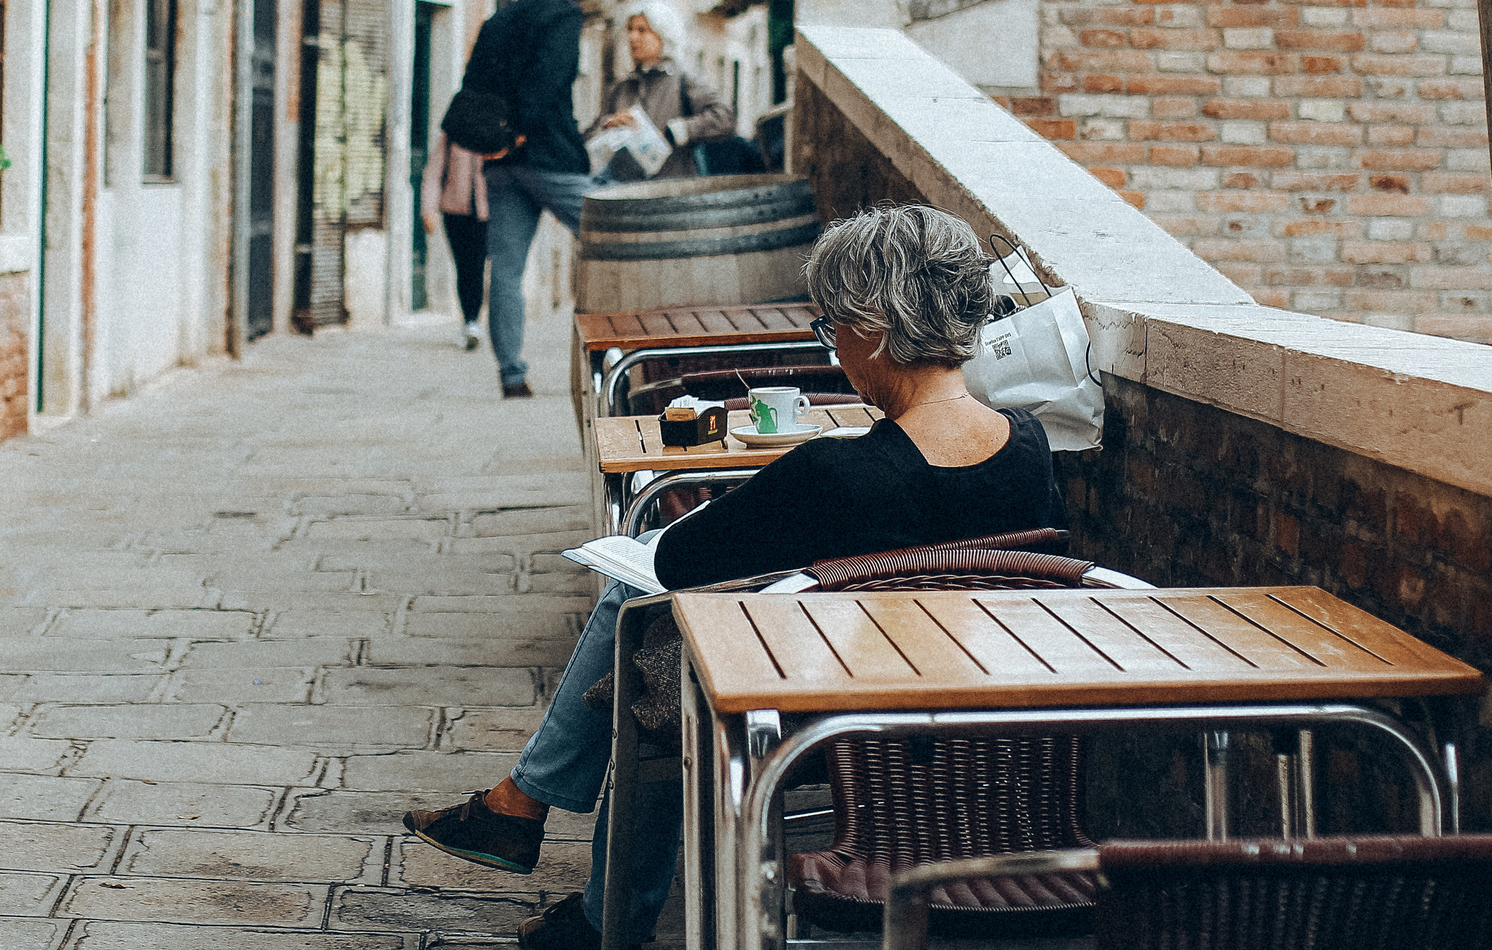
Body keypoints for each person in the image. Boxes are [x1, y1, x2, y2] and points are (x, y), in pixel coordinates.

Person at [401, 205, 1063, 950]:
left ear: (874, 327)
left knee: (648, 648)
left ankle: (569, 869)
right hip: (993, 719)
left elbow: (678, 560)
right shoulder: (1031, 450)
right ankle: (537, 832)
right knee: (658, 658)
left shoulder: (833, 474)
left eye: (832, 327)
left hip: (825, 717)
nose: (835, 348)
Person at [461, 0, 592, 399]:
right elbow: (552, 80)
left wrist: (502, 138)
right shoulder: (563, 15)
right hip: (549, 155)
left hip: (501, 162)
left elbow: (474, 85)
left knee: (506, 270)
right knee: (611, 236)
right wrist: (522, 131)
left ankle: (512, 375)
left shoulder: (498, 20)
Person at [590, 0, 733, 183]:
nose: (633, 37)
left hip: (672, 196)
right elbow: (595, 136)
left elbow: (724, 117)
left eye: (642, 30)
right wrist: (610, 125)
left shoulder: (683, 79)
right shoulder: (622, 87)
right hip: (626, 196)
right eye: (630, 30)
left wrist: (674, 132)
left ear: (663, 35)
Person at [420, 128, 491, 349]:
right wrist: (428, 210)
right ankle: (469, 320)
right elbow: (433, 173)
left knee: (478, 266)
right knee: (464, 267)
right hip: (455, 212)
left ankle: (473, 320)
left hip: (486, 213)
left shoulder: (492, 132)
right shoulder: (451, 135)